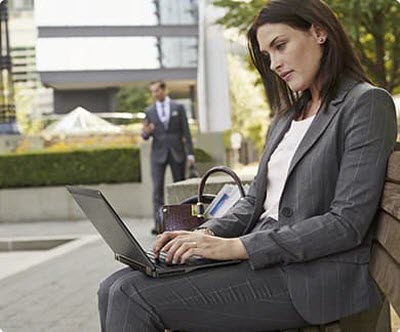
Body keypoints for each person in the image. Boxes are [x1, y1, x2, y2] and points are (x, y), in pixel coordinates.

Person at [98, 0, 398, 331]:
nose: (275, 64)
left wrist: (236, 247)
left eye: (280, 46)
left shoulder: (365, 104)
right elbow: (256, 200)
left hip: (313, 277)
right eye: (268, 55)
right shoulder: (287, 116)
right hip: (268, 262)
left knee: (131, 294)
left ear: (319, 31)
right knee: (111, 287)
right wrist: (203, 236)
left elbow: (347, 223)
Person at [141, 80, 195, 235]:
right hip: (158, 154)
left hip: (177, 152)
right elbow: (144, 135)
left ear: (164, 90)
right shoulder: (149, 111)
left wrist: (190, 153)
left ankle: (180, 223)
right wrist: (146, 131)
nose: (155, 94)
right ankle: (159, 225)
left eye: (157, 90)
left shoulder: (178, 108)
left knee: (178, 187)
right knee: (157, 190)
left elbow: (186, 132)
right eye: (152, 91)